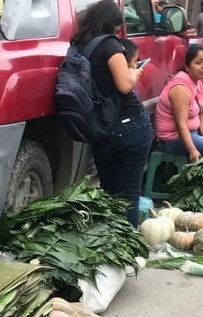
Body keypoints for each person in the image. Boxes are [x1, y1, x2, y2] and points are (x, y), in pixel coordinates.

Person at [69, 1, 152, 226]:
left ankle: (112, 241)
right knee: (128, 195)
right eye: (117, 27)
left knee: (109, 193)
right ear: (111, 24)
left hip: (99, 128)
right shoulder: (111, 46)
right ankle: (128, 250)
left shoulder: (78, 45)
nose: (118, 32)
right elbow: (125, 85)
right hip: (129, 125)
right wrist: (135, 72)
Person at [155, 44, 203, 161]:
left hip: (194, 132)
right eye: (199, 62)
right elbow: (180, 124)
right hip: (172, 139)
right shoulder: (181, 88)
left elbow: (201, 113)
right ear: (187, 66)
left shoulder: (198, 82)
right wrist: (192, 150)